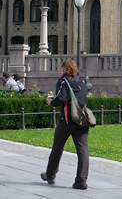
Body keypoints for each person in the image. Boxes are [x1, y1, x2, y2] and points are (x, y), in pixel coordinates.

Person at [41, 59, 89, 190]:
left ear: (63, 69)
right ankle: (81, 181)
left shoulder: (63, 81)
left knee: (57, 146)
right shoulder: (82, 81)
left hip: (67, 120)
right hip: (82, 120)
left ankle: (50, 175)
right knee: (83, 150)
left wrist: (52, 102)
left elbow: (62, 98)